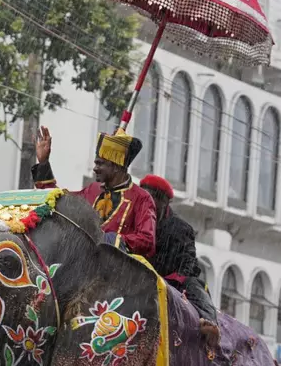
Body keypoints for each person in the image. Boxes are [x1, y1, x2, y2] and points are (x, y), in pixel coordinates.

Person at [32, 126, 157, 258]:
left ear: (115, 167)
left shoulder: (142, 198)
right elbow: (60, 202)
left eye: (100, 164)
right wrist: (43, 163)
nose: (95, 169)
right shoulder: (92, 190)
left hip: (119, 271)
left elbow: (147, 240)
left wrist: (111, 240)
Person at [139, 174, 220, 348]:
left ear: (163, 202)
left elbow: (189, 264)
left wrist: (171, 281)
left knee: (195, 286)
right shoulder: (136, 220)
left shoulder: (181, 228)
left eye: (150, 198)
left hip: (173, 282)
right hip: (138, 276)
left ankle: (210, 322)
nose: (145, 203)